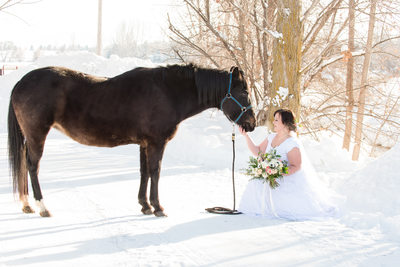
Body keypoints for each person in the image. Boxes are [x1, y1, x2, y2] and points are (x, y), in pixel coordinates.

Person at [238, 109, 337, 220]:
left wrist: (278, 172)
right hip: (271, 177)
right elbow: (258, 152)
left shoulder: (292, 143)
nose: (273, 122)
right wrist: (246, 136)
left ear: (285, 123)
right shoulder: (271, 137)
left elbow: (296, 166)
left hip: (286, 179)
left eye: (276, 120)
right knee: (256, 182)